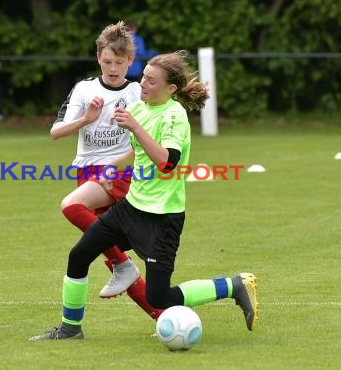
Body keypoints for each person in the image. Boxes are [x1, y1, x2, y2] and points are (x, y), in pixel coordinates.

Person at [30, 51, 258, 341]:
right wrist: (110, 169)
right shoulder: (140, 108)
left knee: (160, 296)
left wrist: (135, 126)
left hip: (163, 217)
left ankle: (234, 285)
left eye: (151, 81)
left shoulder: (175, 115)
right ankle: (70, 328)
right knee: (79, 256)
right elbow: (134, 151)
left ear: (171, 88)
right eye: (144, 77)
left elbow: (167, 163)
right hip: (131, 208)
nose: (143, 84)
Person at [50, 21, 164, 320]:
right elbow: (56, 132)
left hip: (120, 172)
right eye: (107, 61)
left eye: (120, 62)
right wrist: (86, 119)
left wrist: (117, 164)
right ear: (99, 56)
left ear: (130, 61)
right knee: (107, 253)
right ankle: (164, 316)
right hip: (87, 174)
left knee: (71, 206)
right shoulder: (84, 89)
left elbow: (149, 141)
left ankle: (123, 265)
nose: (113, 68)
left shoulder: (139, 93)